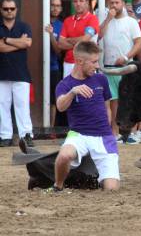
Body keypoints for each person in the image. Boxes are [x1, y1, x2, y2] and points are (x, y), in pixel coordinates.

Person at [49, 41, 120, 192]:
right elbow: (61, 106)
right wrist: (73, 92)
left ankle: (95, 173)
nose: (97, 66)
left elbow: (107, 107)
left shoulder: (101, 79)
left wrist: (110, 130)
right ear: (79, 61)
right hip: (78, 134)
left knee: (112, 189)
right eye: (94, 62)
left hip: (103, 137)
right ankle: (58, 186)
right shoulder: (65, 84)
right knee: (64, 156)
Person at [101, 0, 141, 144]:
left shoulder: (131, 22)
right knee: (113, 101)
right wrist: (107, 19)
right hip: (109, 66)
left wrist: (126, 57)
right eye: (111, 3)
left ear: (123, 4)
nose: (114, 5)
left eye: (117, 2)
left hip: (126, 66)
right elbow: (99, 36)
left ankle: (133, 132)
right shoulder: (106, 21)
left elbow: (139, 43)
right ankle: (115, 133)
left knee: (130, 99)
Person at [0, 0, 34, 147]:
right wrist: (18, 43)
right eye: (6, 8)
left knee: (22, 106)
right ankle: (5, 136)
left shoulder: (24, 26)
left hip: (21, 73)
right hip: (2, 73)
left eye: (12, 8)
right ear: (1, 10)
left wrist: (6, 40)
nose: (9, 11)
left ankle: (26, 135)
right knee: (2, 106)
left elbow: (28, 43)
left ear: (16, 10)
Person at [58, 0, 99, 78]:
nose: (78, 4)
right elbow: (60, 44)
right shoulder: (67, 21)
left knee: (87, 91)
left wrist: (68, 40)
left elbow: (85, 40)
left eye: (81, 1)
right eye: (75, 1)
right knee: (68, 91)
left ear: (87, 3)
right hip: (68, 63)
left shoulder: (92, 19)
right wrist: (79, 42)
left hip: (87, 63)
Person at [44, 0, 64, 129]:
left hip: (53, 67)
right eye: (52, 5)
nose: (55, 8)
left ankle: (51, 128)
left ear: (61, 8)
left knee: (53, 99)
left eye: (58, 6)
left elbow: (59, 52)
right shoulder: (40, 18)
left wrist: (51, 35)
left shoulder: (61, 25)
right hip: (37, 66)